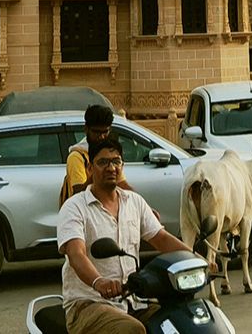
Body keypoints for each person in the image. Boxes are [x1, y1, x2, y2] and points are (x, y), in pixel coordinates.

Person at [57, 135, 192, 334]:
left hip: (133, 302)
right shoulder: (74, 207)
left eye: (116, 161)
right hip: (88, 305)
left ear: (122, 166)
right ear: (90, 169)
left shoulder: (134, 202)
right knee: (132, 330)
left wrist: (195, 258)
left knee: (180, 319)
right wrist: (99, 281)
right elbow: (76, 254)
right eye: (102, 162)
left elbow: (161, 238)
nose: (111, 168)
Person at [60, 104, 127, 205]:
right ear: (86, 129)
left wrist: (142, 207)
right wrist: (98, 173)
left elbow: (122, 185)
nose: (101, 137)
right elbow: (79, 193)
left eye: (105, 132)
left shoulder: (110, 155)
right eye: (96, 132)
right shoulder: (77, 157)